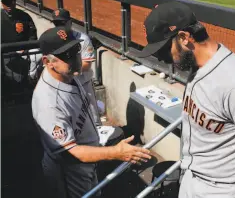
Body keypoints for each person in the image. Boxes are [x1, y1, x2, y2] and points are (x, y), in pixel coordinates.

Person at [139, 2, 235, 198]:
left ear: (184, 37)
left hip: (221, 190)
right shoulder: (198, 66)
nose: (161, 59)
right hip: (191, 178)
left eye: (163, 51)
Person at [32, 26, 151, 198]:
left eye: (75, 50)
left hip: (89, 161)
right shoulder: (48, 102)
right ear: (47, 62)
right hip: (69, 173)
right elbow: (70, 153)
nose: (75, 58)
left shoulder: (69, 75)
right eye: (66, 55)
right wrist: (115, 153)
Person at [51, 8, 103, 128]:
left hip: (83, 84)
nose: (60, 27)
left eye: (62, 23)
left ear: (70, 22)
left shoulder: (82, 39)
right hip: (64, 86)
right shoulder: (53, 39)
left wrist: (67, 71)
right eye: (57, 24)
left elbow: (87, 64)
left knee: (92, 117)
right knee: (70, 118)